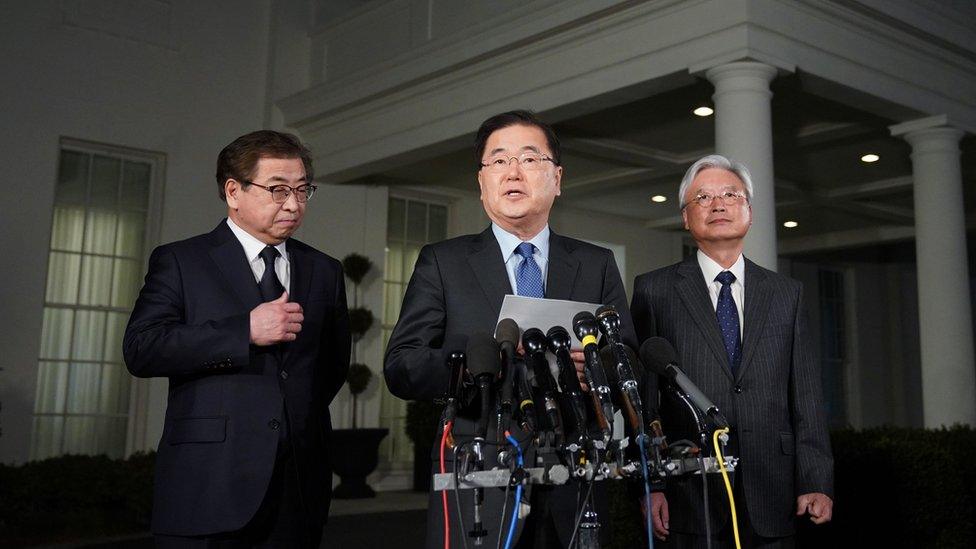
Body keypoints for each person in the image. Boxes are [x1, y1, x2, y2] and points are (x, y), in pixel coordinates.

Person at [384, 110, 637, 548]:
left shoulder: (595, 263)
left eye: (529, 158)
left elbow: (629, 360)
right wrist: (481, 369)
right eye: (498, 161)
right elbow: (402, 365)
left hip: (575, 471)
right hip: (479, 466)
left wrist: (596, 370)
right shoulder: (443, 262)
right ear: (481, 184)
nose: (513, 171)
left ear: (557, 178)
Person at [123, 130, 350, 548]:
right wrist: (243, 331)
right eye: (278, 190)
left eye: (303, 191)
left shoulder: (324, 270)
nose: (294, 204)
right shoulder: (181, 261)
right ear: (233, 191)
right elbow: (142, 348)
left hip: (297, 488)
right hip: (208, 484)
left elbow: (331, 368)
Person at [631, 154, 833, 547]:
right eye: (703, 197)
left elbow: (806, 395)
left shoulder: (785, 294)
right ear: (686, 217)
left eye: (730, 194)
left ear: (749, 212)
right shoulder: (654, 291)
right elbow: (643, 401)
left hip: (772, 489)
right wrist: (649, 484)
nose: (718, 204)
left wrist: (816, 479)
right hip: (690, 493)